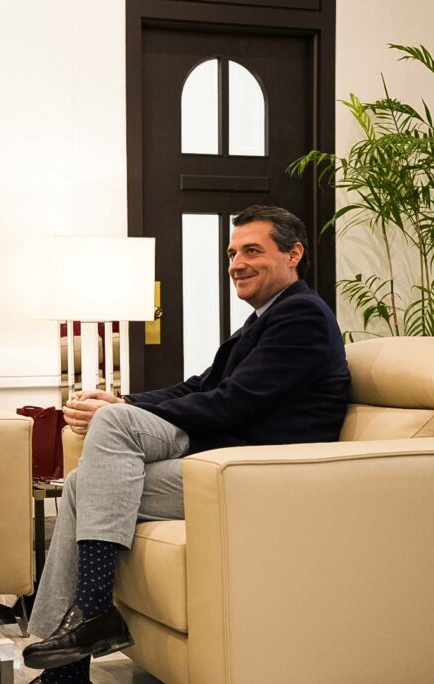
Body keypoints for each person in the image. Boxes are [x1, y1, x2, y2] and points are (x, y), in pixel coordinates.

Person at [22, 205, 351, 682]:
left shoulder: (301, 316)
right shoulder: (265, 318)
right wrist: (124, 398)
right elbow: (200, 385)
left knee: (108, 434)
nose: (236, 263)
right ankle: (70, 663)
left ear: (293, 253)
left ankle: (90, 617)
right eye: (232, 252)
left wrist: (120, 411)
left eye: (252, 251)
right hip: (228, 460)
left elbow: (233, 403)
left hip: (262, 473)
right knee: (81, 483)